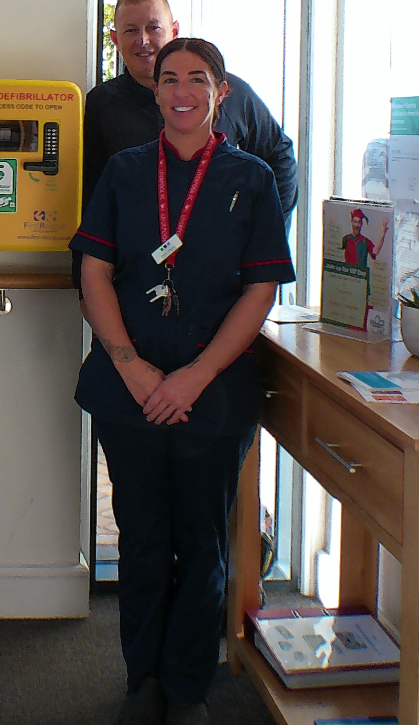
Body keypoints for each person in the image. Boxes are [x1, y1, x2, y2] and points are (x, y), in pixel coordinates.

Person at [71, 37, 295, 725]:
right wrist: (132, 367)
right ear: (156, 90)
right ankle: (143, 679)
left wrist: (195, 376)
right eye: (170, 78)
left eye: (198, 78)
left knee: (203, 544)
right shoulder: (126, 172)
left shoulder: (251, 178)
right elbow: (95, 272)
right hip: (129, 392)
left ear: (220, 91)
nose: (182, 90)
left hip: (213, 393)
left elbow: (260, 289)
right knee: (140, 537)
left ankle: (189, 685)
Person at [84, 0, 298, 220]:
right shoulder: (102, 103)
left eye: (154, 28)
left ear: (174, 31)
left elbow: (279, 155)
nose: (143, 40)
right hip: (135, 251)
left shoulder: (228, 91)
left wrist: (267, 226)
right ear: (115, 39)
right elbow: (90, 192)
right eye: (131, 30)